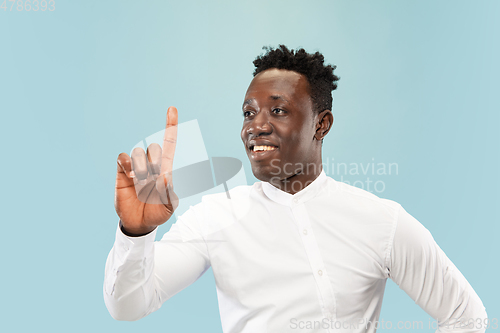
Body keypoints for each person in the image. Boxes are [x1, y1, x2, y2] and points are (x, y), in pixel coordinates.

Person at [104, 45, 488, 332]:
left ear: (322, 125)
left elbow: (466, 316)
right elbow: (128, 306)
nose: (256, 126)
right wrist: (136, 234)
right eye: (249, 112)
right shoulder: (213, 218)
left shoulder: (381, 221)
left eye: (279, 110)